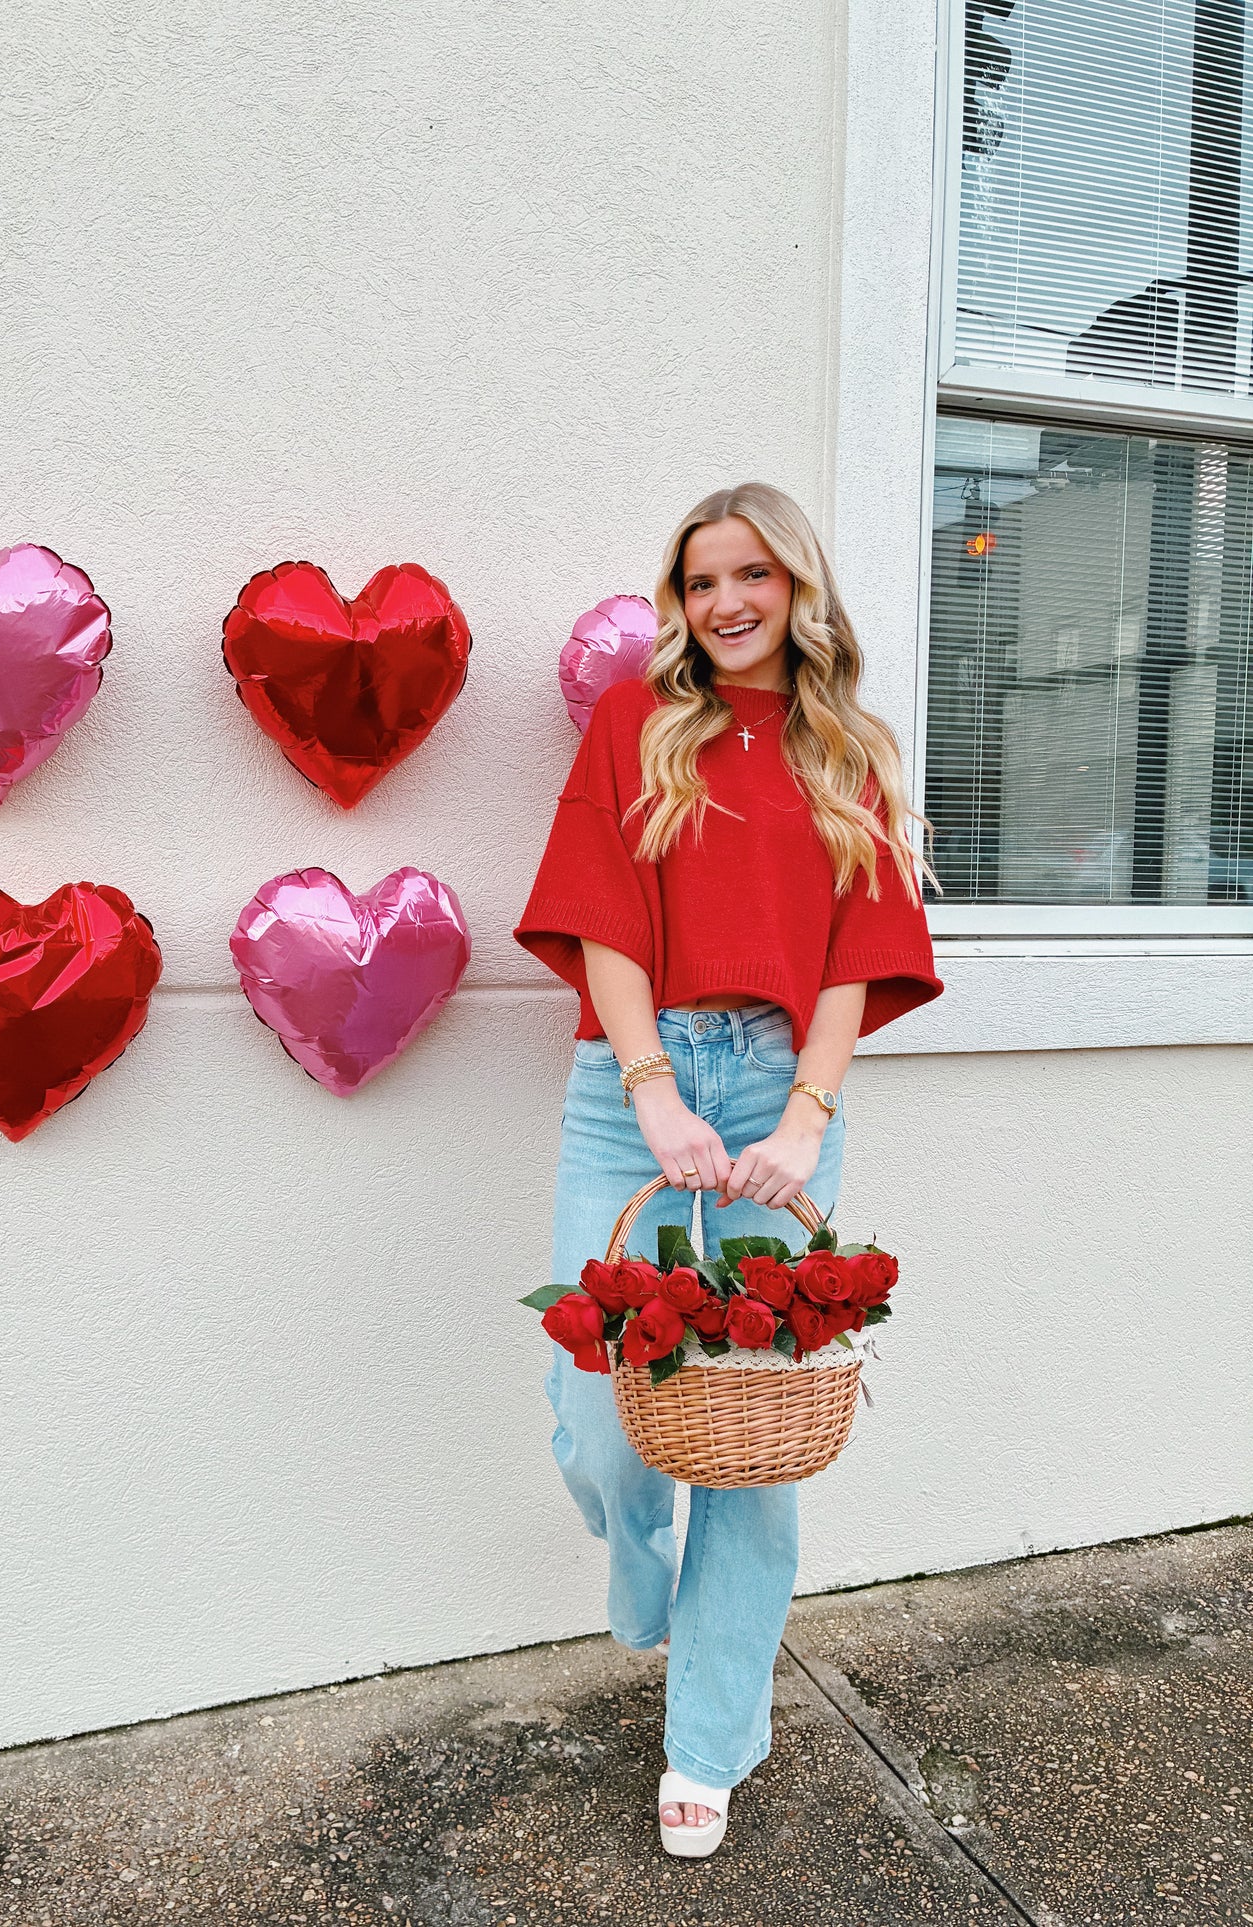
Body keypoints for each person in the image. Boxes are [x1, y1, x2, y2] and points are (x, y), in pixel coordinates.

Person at [514, 482, 942, 1858]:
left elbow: (858, 955)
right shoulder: (636, 721)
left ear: (796, 586)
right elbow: (602, 918)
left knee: (752, 1451)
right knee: (602, 1405)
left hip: (777, 1087)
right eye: (700, 581)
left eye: (750, 574)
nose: (725, 603)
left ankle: (707, 1740)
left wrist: (805, 1119)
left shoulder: (848, 751)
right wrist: (649, 1090)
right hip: (629, 1086)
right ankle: (643, 1572)